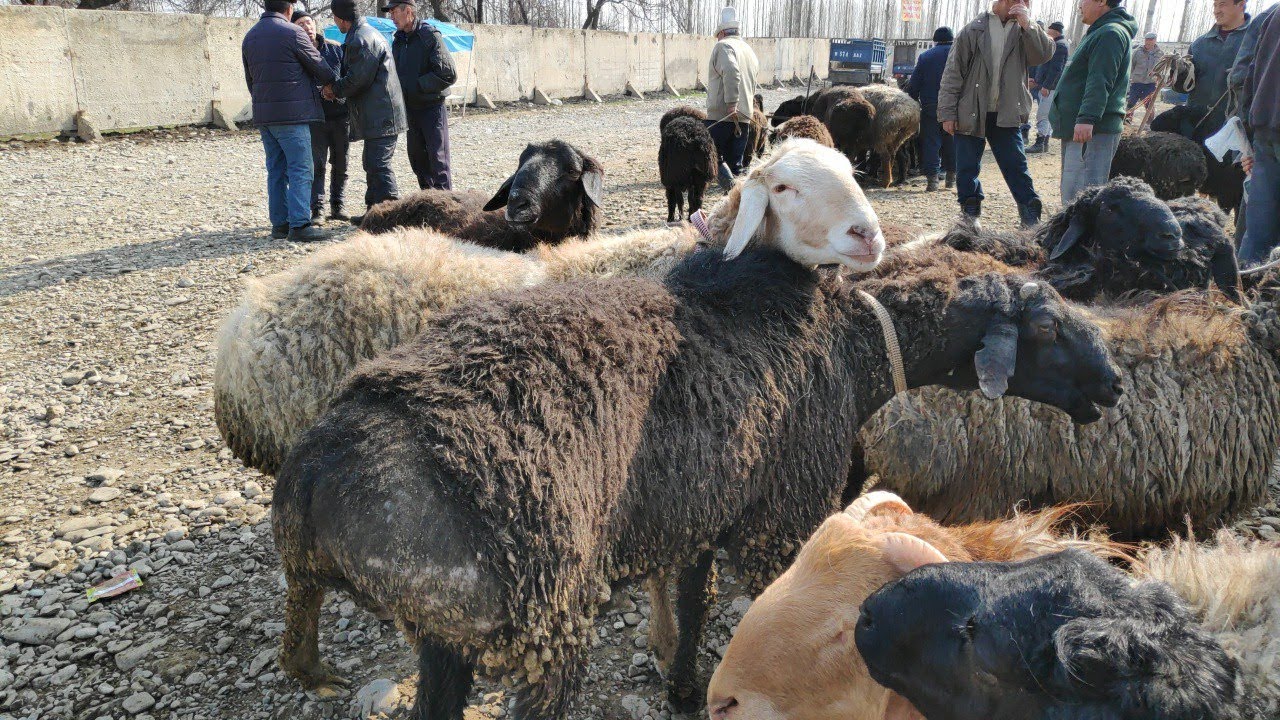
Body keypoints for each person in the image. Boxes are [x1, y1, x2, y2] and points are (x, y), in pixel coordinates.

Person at [938, 0, 1053, 226]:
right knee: (967, 167)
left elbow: (1043, 55)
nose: (1025, 4)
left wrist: (1029, 25)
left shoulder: (1025, 29)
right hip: (971, 110)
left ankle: (1030, 214)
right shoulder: (973, 30)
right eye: (1021, 0)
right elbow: (953, 72)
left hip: (1007, 111)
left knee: (1015, 164)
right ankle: (970, 214)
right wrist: (947, 113)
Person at [241, 0, 334, 242]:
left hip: (265, 116)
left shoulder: (250, 37)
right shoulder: (293, 33)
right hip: (293, 116)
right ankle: (300, 225)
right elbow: (320, 67)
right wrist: (332, 83)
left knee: (276, 170)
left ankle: (280, 224)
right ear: (289, 9)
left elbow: (250, 79)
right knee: (301, 168)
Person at [325, 0, 408, 226]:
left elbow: (357, 80)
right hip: (379, 112)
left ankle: (392, 214)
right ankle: (374, 212)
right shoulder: (364, 33)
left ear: (340, 18)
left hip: (382, 114)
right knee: (371, 162)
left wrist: (334, 90)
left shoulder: (360, 39)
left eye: (334, 18)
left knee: (378, 164)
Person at [1049, 0, 1136, 204]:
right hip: (1083, 127)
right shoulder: (1100, 32)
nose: (1079, 5)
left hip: (1092, 130)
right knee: (1074, 192)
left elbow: (1100, 79)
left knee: (1082, 196)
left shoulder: (1110, 33)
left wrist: (1087, 118)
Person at [386, 0, 457, 191]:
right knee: (418, 160)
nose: (391, 17)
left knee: (438, 160)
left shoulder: (429, 35)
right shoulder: (398, 40)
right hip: (410, 110)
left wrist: (416, 86)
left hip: (431, 108)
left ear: (408, 11)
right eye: (390, 13)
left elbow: (448, 74)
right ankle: (427, 200)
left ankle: (444, 203)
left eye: (394, 12)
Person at [293, 10, 350, 222]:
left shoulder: (335, 48)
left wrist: (337, 93)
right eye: (300, 24)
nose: (306, 27)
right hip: (314, 118)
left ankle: (338, 205)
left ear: (315, 25)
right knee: (317, 165)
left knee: (341, 162)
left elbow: (349, 78)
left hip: (340, 116)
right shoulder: (296, 53)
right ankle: (317, 209)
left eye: (308, 23)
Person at [1237, 7, 1278, 266]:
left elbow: (1246, 74)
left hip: (1265, 129)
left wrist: (1249, 136)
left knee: (1259, 227)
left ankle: (1246, 281)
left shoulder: (1272, 13)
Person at [1177, 0, 1252, 137]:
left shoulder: (1257, 43)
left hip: (1236, 133)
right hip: (1196, 128)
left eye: (1222, 4)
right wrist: (1179, 73)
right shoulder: (1199, 44)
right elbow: (1183, 88)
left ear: (1241, 4)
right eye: (1215, 5)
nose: (1216, 11)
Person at [706, 5, 760, 190]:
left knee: (713, 157)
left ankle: (731, 194)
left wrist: (731, 103)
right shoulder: (748, 50)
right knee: (736, 165)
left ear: (721, 32)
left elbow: (731, 71)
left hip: (723, 116)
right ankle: (738, 200)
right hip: (744, 117)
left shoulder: (723, 46)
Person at [907, 26, 956, 192]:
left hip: (931, 107)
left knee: (931, 142)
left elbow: (914, 84)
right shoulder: (959, 55)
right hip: (954, 107)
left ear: (935, 41)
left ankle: (932, 181)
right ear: (952, 39)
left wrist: (912, 99)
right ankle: (951, 179)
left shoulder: (926, 57)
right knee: (952, 141)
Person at [1027, 20, 1070, 153]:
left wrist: (1047, 86)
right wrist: (1037, 80)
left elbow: (1056, 69)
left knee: (1043, 115)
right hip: (1047, 86)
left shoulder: (1059, 46)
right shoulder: (1057, 44)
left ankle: (1040, 143)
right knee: (1045, 114)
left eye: (1049, 29)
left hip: (1050, 88)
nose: (1046, 31)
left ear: (1055, 31)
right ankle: (1044, 143)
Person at [1127, 32, 1163, 112]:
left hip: (1150, 83)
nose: (1148, 42)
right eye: (1147, 39)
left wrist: (1158, 77)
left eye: (1151, 40)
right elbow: (1131, 66)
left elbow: (1162, 68)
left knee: (1149, 105)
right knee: (1131, 103)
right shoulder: (1137, 52)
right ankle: (1128, 118)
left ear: (1155, 40)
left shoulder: (1160, 54)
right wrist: (1131, 77)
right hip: (1137, 82)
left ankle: (1150, 119)